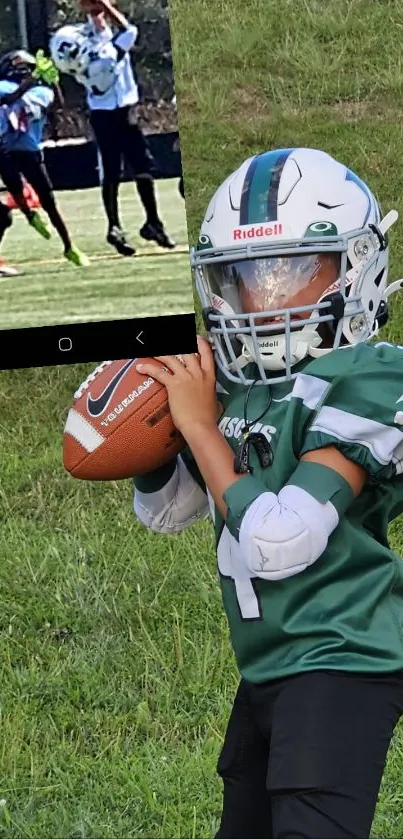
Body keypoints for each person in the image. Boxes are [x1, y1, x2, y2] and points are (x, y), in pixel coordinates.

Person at [130, 147, 403, 838]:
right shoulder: (245, 389)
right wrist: (142, 424)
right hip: (270, 663)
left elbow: (282, 538)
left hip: (340, 661)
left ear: (355, 270)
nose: (268, 296)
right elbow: (167, 511)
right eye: (248, 277)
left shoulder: (367, 376)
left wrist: (196, 421)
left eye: (291, 273)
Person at [51, 0, 175, 257]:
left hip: (102, 114)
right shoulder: (103, 59)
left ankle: (135, 224)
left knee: (113, 171)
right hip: (122, 113)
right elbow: (130, 32)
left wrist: (96, 10)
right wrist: (106, 6)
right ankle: (134, 223)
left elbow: (94, 30)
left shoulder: (83, 56)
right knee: (138, 168)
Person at [0, 50, 89, 267]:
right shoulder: (4, 86)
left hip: (28, 148)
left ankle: (69, 246)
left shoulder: (41, 91)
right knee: (14, 187)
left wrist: (55, 81)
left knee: (49, 201)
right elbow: (9, 98)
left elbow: (58, 105)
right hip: (3, 146)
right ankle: (30, 215)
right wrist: (28, 83)